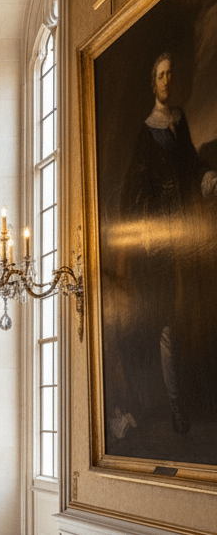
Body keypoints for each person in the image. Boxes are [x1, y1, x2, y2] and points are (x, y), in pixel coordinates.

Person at [114, 52, 217, 437]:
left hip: (186, 237)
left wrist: (206, 177)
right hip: (160, 248)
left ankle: (197, 398)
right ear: (152, 83)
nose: (167, 80)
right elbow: (135, 191)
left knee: (192, 318)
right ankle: (175, 406)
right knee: (168, 325)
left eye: (171, 73)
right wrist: (150, 228)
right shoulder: (147, 132)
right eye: (161, 75)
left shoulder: (179, 121)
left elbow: (189, 163)